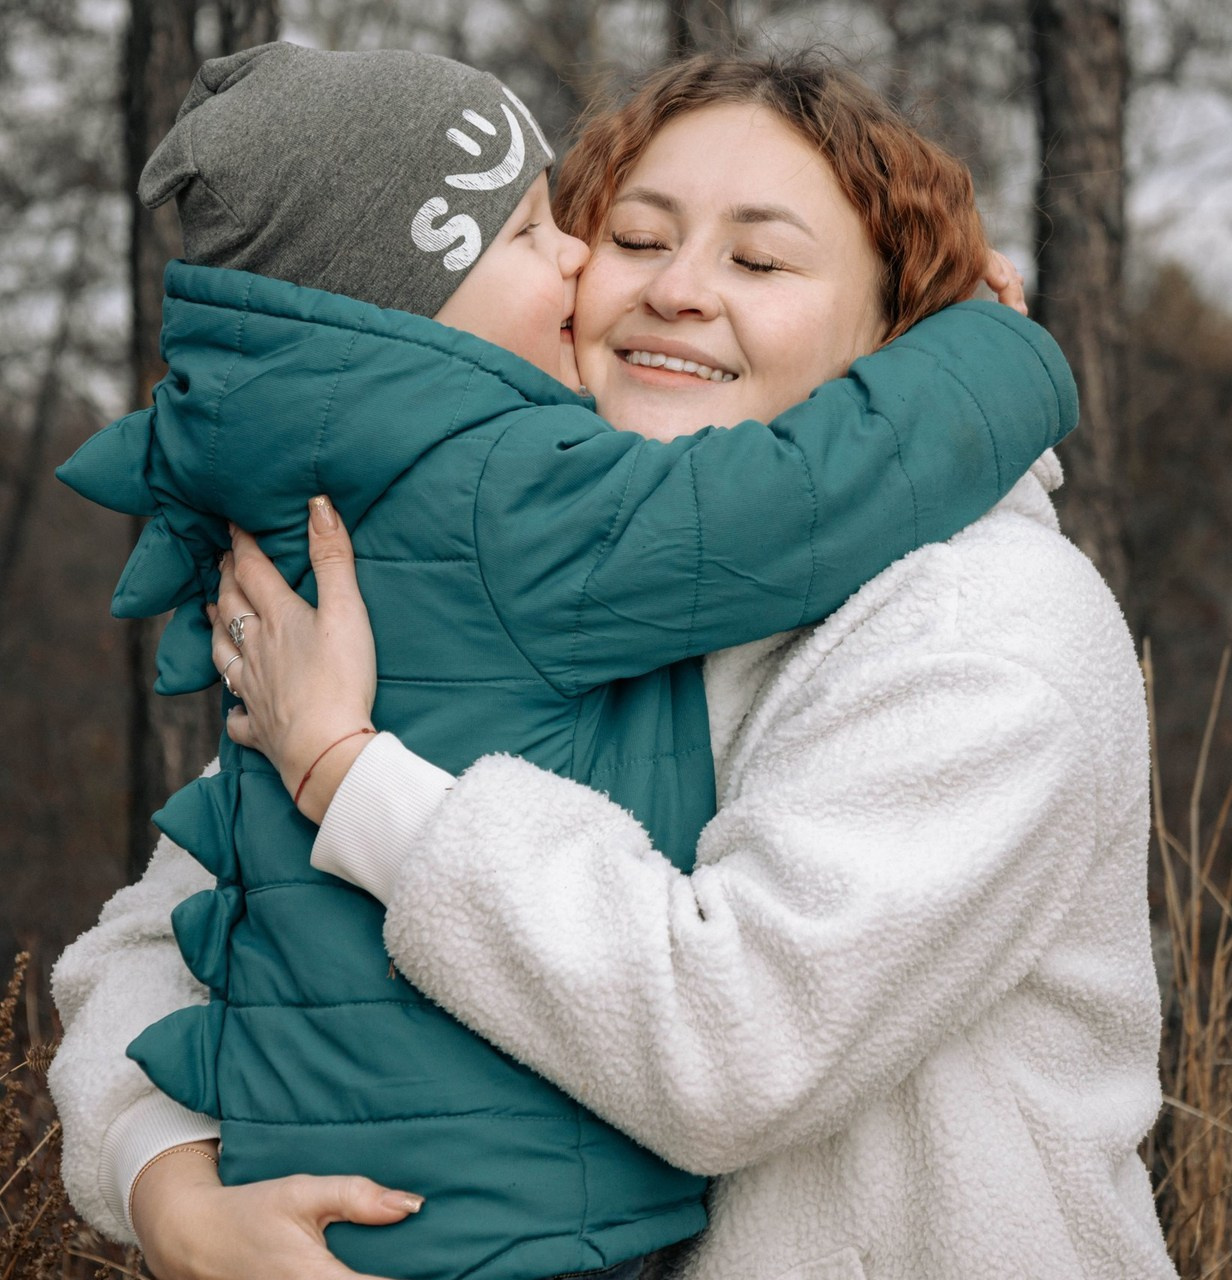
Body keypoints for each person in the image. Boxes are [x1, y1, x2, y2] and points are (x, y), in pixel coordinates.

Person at [44, 50, 1140, 1280]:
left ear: (898, 331)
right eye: (630, 235)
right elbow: (153, 941)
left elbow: (739, 1042)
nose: (677, 289)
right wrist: (169, 1188)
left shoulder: (979, 623)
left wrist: (355, 776)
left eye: (758, 259)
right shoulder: (446, 566)